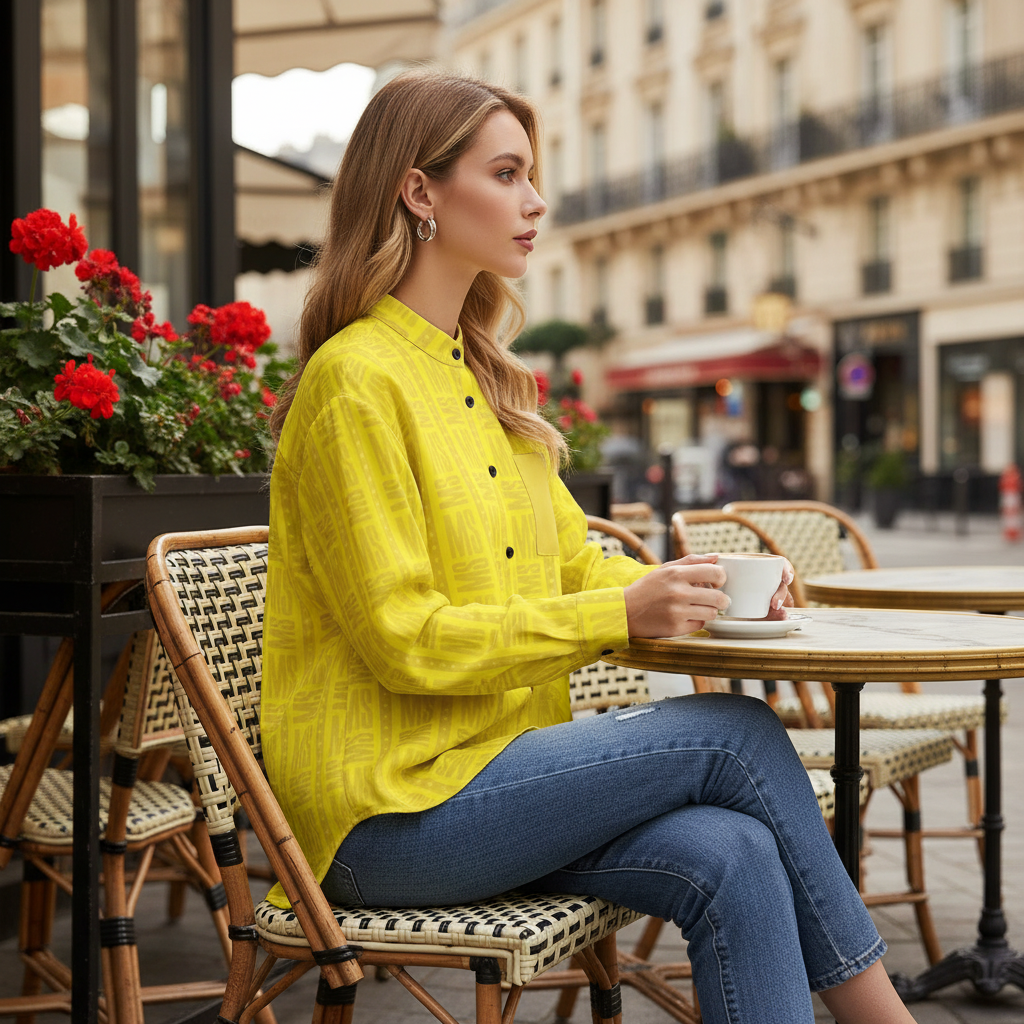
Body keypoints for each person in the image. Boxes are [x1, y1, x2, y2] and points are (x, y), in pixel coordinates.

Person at [262, 70, 915, 1024]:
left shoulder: (484, 381)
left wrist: (689, 588)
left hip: (499, 774)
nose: (536, 202)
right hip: (386, 817)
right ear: (420, 192)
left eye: (534, 175)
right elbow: (405, 637)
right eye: (508, 173)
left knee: (731, 852)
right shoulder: (355, 382)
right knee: (737, 732)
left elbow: (575, 562)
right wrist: (619, 613)